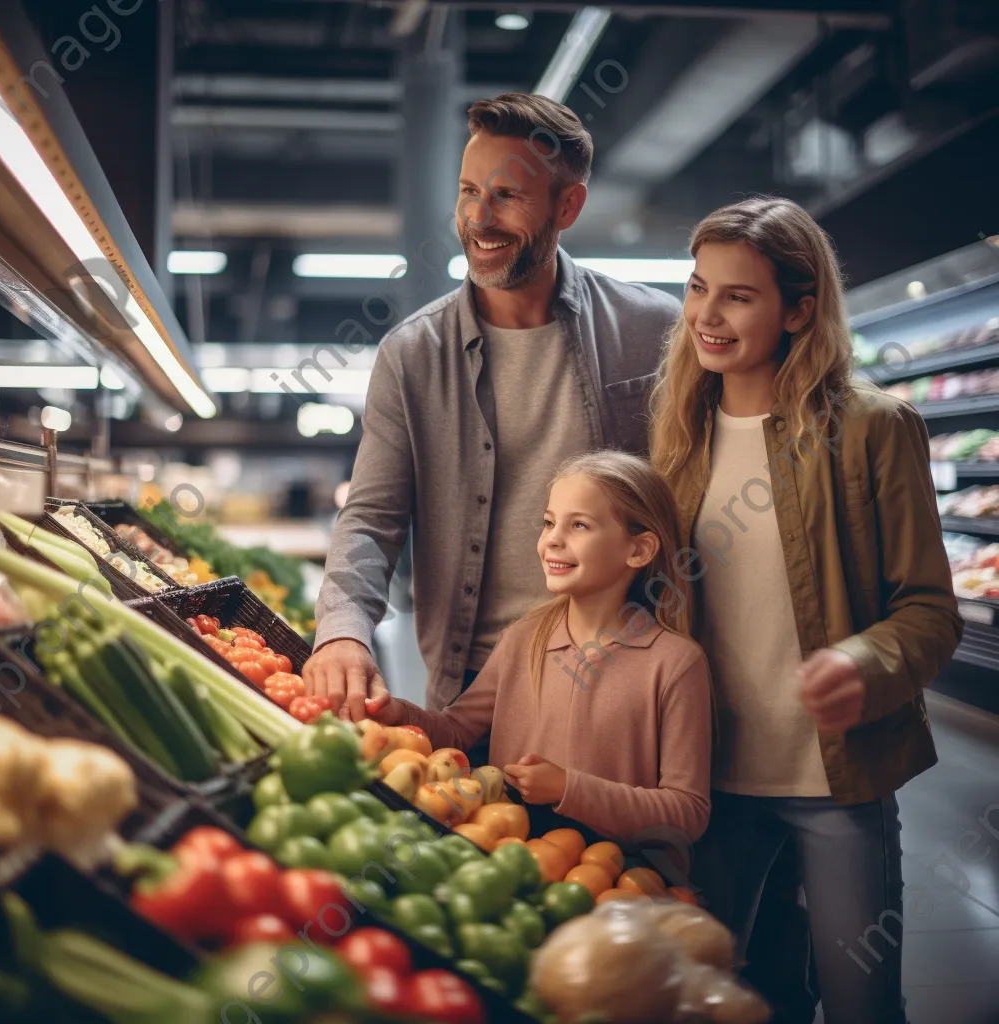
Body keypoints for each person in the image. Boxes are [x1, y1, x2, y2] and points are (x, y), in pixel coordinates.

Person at [648, 196, 962, 1024]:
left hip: (838, 779)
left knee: (862, 1003)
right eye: (697, 288)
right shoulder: (676, 432)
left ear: (799, 309)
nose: (707, 315)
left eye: (738, 296)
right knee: (715, 1002)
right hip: (704, 783)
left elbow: (930, 609)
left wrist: (865, 663)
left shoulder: (873, 429)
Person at [303, 93, 681, 720]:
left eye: (507, 196)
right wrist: (343, 629)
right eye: (468, 191)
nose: (479, 218)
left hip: (626, 671)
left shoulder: (652, 330)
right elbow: (371, 519)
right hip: (473, 683)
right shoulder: (413, 354)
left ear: (568, 206)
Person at [368, 450, 713, 846]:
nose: (553, 539)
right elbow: (457, 732)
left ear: (638, 550)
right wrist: (399, 713)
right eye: (548, 523)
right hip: (508, 862)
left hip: (617, 887)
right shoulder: (522, 638)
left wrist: (570, 788)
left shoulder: (676, 664)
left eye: (579, 525)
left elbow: (687, 813)